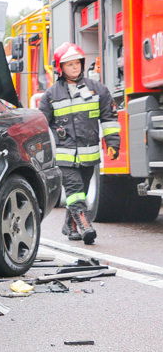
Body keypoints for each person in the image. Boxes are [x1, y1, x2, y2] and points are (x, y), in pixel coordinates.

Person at [38, 43, 120, 244]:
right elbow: (41, 125)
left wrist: (113, 142)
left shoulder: (98, 90)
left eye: (77, 63)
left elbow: (109, 118)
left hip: (89, 155)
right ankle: (85, 225)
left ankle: (69, 226)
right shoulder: (51, 95)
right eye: (69, 64)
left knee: (80, 189)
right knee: (74, 190)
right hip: (65, 155)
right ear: (60, 68)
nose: (75, 67)